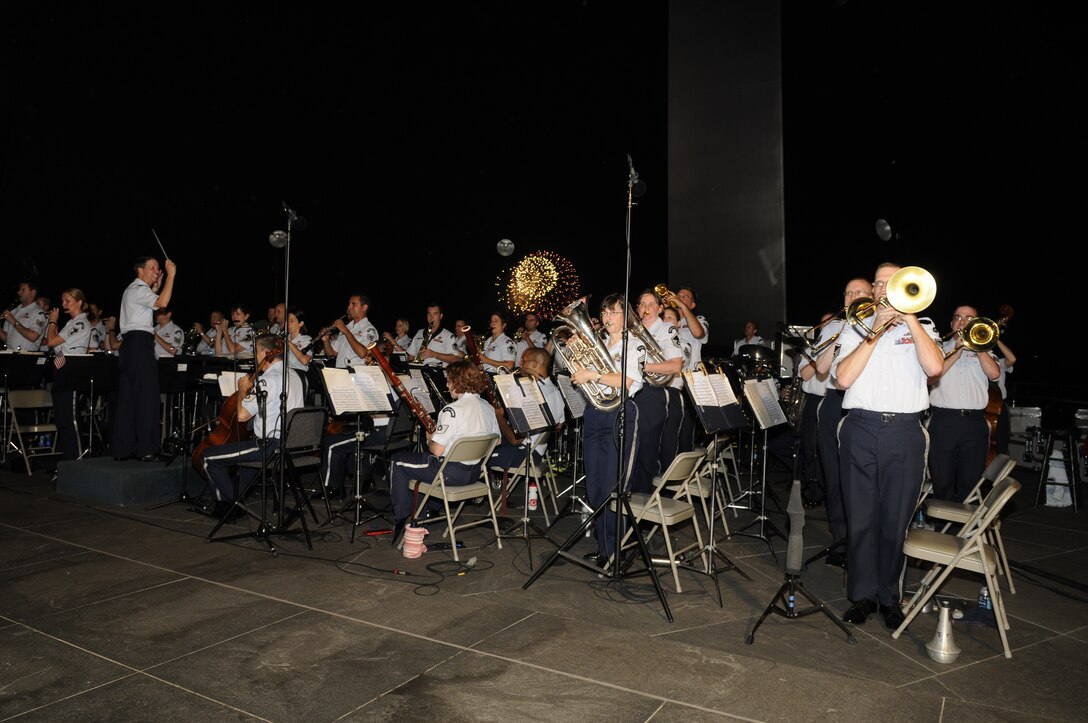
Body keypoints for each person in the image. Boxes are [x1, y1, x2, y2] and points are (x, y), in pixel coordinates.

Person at [831, 262, 943, 629]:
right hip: (861, 428)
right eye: (878, 283)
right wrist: (876, 329)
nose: (884, 288)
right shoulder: (854, 327)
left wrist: (909, 319)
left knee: (895, 521)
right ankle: (862, 595)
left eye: (891, 282)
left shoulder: (923, 328)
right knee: (861, 518)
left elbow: (935, 368)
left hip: (905, 432)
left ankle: (890, 597)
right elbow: (843, 377)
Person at [389, 360, 500, 547]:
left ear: (458, 382)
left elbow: (437, 450)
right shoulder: (488, 407)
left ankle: (403, 517)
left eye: (449, 381)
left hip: (449, 473)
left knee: (398, 460)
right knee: (423, 464)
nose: (447, 386)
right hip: (474, 473)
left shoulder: (452, 410)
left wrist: (430, 438)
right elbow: (497, 441)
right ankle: (428, 510)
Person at [569, 293, 643, 566]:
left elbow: (629, 381)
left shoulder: (634, 346)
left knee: (614, 487)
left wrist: (594, 374)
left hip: (619, 414)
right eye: (604, 312)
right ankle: (604, 549)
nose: (607, 318)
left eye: (614, 312)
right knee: (595, 487)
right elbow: (580, 378)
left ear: (627, 317)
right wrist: (574, 354)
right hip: (594, 412)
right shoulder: (597, 343)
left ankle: (617, 551)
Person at [198, 334, 303, 520]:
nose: (255, 356)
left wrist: (243, 390)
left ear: (265, 353)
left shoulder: (267, 381)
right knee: (246, 464)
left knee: (208, 457)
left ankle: (227, 507)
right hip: (292, 443)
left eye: (256, 352)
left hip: (269, 445)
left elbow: (241, 415)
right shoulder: (294, 375)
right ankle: (235, 500)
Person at [815, 277, 872, 569]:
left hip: (863, 406)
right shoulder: (839, 327)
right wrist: (839, 334)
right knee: (835, 479)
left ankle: (862, 545)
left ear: (872, 294)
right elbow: (822, 369)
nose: (851, 297)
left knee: (860, 484)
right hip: (835, 405)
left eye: (858, 292)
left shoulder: (880, 324)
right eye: (847, 292)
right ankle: (840, 541)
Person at [927, 305, 1001, 503]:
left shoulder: (985, 349)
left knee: (970, 480)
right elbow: (932, 376)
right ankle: (940, 524)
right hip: (944, 421)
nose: (962, 322)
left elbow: (994, 374)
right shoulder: (937, 348)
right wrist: (957, 350)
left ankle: (961, 528)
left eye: (969, 318)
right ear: (952, 323)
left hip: (974, 423)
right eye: (958, 317)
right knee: (941, 480)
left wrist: (978, 347)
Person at [113, 255, 176, 462]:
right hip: (140, 344)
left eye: (158, 268)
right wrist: (171, 276)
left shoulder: (134, 290)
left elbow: (151, 301)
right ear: (140, 271)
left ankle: (124, 449)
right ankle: (148, 449)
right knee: (148, 397)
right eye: (153, 268)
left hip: (130, 345)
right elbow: (163, 302)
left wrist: (157, 286)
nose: (157, 271)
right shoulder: (139, 289)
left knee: (129, 398)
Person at [631, 289, 684, 494]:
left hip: (651, 394)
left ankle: (644, 505)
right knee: (630, 452)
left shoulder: (667, 330)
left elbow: (675, 366)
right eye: (642, 305)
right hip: (630, 392)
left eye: (651, 305)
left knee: (646, 454)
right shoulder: (631, 332)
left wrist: (640, 366)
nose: (646, 309)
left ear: (660, 309)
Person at [489, 347, 567, 470]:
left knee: (478, 455)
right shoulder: (555, 390)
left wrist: (499, 416)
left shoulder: (534, 394)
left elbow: (516, 440)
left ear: (535, 365)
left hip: (524, 453)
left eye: (523, 360)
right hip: (538, 451)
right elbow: (559, 426)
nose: (520, 364)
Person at [45, 289, 92, 461]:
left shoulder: (80, 324)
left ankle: (77, 461)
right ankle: (68, 461)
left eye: (68, 300)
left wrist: (52, 321)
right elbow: (55, 346)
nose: (64, 304)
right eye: (63, 301)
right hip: (61, 371)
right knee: (62, 421)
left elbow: (51, 341)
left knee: (71, 420)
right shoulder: (70, 324)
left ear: (79, 302)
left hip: (72, 373)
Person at [661, 286, 708, 451]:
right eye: (678, 295)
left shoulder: (698, 320)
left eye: (685, 297)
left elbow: (698, 333)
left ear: (692, 305)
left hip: (689, 385)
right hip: (667, 384)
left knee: (685, 434)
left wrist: (681, 305)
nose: (679, 297)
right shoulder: (665, 322)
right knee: (666, 433)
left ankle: (683, 473)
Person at [323, 294, 379, 368]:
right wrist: (325, 340)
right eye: (349, 304)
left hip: (357, 375)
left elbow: (362, 353)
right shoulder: (347, 327)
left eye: (353, 304)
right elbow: (332, 353)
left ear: (364, 307)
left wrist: (346, 332)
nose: (349, 307)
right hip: (341, 373)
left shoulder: (369, 330)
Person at [406, 302, 461, 368]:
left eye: (435, 314)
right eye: (429, 314)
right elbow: (411, 355)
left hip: (438, 374)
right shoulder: (419, 333)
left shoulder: (449, 336)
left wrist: (434, 354)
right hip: (418, 373)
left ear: (441, 316)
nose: (431, 317)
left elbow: (455, 359)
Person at [1, 281, 49, 352]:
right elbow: (6, 338)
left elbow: (33, 337)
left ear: (32, 293)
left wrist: (14, 321)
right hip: (9, 354)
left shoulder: (38, 313)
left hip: (26, 356)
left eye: (23, 290)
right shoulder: (13, 311)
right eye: (19, 290)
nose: (18, 292)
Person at [993, 337, 1018, 456]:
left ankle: (999, 472)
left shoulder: (999, 361)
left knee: (1002, 441)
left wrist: (996, 339)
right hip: (981, 407)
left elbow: (1012, 359)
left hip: (999, 406)